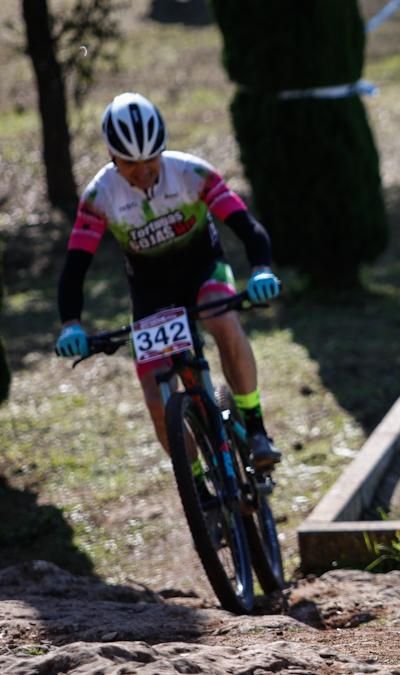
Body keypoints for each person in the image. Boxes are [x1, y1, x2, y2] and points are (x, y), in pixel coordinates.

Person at [54, 92, 283, 474]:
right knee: (156, 396)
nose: (143, 172)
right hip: (151, 292)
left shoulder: (191, 173)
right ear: (112, 157)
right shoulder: (100, 196)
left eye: (151, 158)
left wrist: (260, 268)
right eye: (130, 163)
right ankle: (195, 482)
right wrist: (71, 323)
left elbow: (249, 229)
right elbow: (75, 267)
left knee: (223, 320)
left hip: (204, 269)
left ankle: (256, 427)